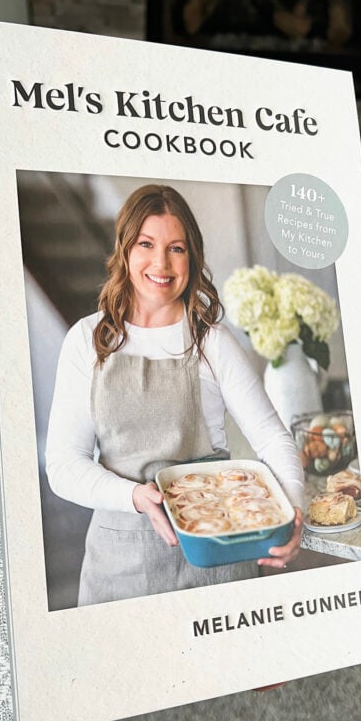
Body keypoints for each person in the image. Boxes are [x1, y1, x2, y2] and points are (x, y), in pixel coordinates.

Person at [46, 184, 304, 607]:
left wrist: (292, 511)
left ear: (193, 257)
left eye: (177, 248)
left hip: (218, 558)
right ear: (125, 249)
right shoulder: (87, 340)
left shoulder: (212, 342)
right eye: (146, 244)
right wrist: (134, 496)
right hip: (120, 565)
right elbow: (62, 464)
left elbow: (273, 439)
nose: (161, 263)